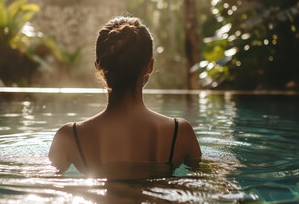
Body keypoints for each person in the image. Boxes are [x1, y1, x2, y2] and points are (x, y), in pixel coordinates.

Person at [48, 17, 201, 178]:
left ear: (98, 66)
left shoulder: (69, 136)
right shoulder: (180, 132)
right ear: (150, 66)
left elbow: (46, 189)